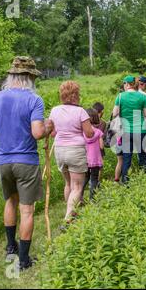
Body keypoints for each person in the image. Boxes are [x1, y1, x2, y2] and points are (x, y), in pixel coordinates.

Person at [0, 56, 53, 271]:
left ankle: (10, 248)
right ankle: (23, 261)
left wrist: (0, 138)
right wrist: (49, 127)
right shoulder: (34, 100)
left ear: (11, 76)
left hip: (2, 160)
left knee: (10, 202)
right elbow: (38, 132)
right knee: (27, 210)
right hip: (26, 161)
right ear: (30, 77)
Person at [49, 81, 94, 227]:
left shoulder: (54, 110)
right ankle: (68, 219)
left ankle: (70, 211)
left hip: (60, 149)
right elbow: (89, 133)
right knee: (77, 186)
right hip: (75, 150)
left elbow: (53, 133)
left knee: (68, 183)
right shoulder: (80, 111)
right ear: (75, 95)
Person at [112, 75, 146, 183]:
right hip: (141, 131)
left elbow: (115, 113)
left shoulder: (120, 97)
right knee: (143, 157)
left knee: (126, 158)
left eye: (124, 84)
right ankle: (145, 180)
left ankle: (125, 182)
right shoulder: (142, 97)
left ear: (126, 84)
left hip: (126, 132)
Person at [83, 109, 104, 201]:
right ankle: (92, 199)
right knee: (94, 179)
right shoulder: (98, 132)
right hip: (95, 160)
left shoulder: (82, 132)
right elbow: (102, 146)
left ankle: (79, 197)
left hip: (85, 159)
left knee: (85, 178)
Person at [92, 102, 107, 181]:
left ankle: (92, 181)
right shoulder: (103, 123)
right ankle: (97, 182)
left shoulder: (88, 122)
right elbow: (102, 136)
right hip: (99, 147)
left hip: (89, 147)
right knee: (100, 167)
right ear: (101, 112)